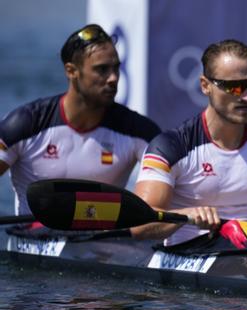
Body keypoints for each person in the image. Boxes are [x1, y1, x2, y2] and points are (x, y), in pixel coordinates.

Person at [132, 39, 247, 244]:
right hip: (191, 254)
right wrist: (186, 216)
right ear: (205, 86)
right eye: (235, 88)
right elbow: (138, 225)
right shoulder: (170, 148)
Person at [0, 24, 160, 215]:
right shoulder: (23, 124)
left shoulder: (140, 131)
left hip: (103, 241)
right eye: (102, 70)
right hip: (30, 239)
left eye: (116, 68)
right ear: (71, 71)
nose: (114, 78)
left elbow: (172, 196)